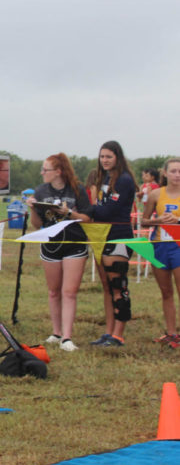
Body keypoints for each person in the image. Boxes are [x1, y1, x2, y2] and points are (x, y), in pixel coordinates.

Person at [26, 153, 91, 352]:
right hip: (50, 244)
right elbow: (37, 225)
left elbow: (88, 218)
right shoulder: (41, 190)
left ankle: (67, 337)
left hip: (75, 243)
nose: (42, 173)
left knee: (69, 292)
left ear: (58, 172)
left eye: (45, 170)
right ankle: (56, 332)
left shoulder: (77, 190)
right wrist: (33, 209)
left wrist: (68, 213)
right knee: (54, 291)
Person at [87, 140, 137, 347]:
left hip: (119, 235)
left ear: (118, 157)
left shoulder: (124, 180)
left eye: (109, 156)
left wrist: (82, 211)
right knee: (107, 287)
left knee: (118, 286)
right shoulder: (105, 178)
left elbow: (107, 211)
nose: (105, 160)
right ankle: (108, 332)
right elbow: (100, 207)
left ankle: (118, 334)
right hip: (103, 235)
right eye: (102, 156)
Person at [141, 158, 180, 347]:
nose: (177, 175)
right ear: (165, 173)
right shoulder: (156, 194)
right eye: (173, 171)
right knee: (166, 292)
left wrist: (177, 221)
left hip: (178, 245)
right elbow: (144, 220)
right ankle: (171, 334)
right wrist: (159, 221)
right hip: (159, 246)